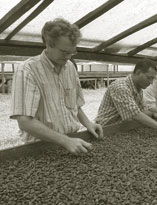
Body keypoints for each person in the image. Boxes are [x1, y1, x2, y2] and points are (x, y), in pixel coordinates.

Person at [10, 18, 103, 155]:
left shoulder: (70, 67)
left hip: (72, 143)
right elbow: (24, 121)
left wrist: (88, 124)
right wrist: (65, 141)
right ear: (49, 44)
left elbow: (74, 106)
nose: (69, 57)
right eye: (65, 52)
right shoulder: (28, 70)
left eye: (73, 52)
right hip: (39, 149)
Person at [95, 59, 157, 141]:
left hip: (123, 128)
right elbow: (136, 114)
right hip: (105, 129)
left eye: (153, 78)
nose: (151, 82)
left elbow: (142, 110)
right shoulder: (121, 87)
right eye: (149, 78)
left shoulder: (138, 89)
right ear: (138, 72)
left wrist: (153, 114)